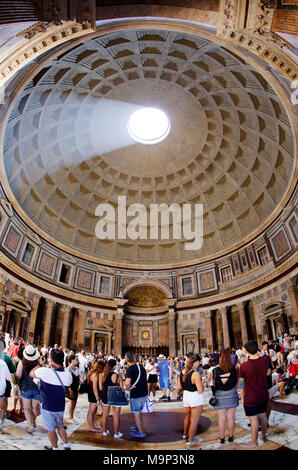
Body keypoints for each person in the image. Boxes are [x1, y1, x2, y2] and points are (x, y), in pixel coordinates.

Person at [30, 348, 73, 450]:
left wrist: (40, 364)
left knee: (51, 429)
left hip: (48, 406)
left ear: (50, 359)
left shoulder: (44, 371)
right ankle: (66, 445)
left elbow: (31, 373)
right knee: (60, 426)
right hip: (60, 406)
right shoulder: (68, 375)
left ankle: (55, 447)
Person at [240, 340, 270, 447]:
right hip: (263, 393)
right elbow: (268, 372)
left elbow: (241, 382)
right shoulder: (265, 361)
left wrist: (242, 396)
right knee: (263, 415)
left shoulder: (244, 366)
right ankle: (264, 435)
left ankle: (254, 440)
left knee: (253, 418)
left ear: (247, 351)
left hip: (251, 396)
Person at [212, 348, 239, 444]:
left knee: (221, 418)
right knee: (231, 417)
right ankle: (231, 437)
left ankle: (222, 438)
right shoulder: (234, 369)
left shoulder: (215, 370)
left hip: (220, 395)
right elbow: (236, 382)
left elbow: (215, 384)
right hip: (232, 393)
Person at [178, 354, 204, 446]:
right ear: (195, 363)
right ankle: (191, 439)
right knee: (194, 419)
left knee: (187, 416)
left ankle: (185, 434)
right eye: (198, 362)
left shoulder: (183, 372)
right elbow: (200, 390)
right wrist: (203, 383)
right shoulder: (195, 374)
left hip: (186, 396)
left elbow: (179, 387)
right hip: (195, 397)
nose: (199, 363)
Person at [16, 345, 42, 433]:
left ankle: (31, 425)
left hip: (25, 387)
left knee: (27, 408)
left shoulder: (21, 362)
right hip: (36, 388)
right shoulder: (38, 364)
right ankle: (33, 422)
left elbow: (18, 374)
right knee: (34, 407)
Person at [124, 351, 148, 438]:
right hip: (144, 393)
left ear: (126, 360)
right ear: (134, 359)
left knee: (136, 413)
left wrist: (127, 388)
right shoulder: (141, 367)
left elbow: (127, 383)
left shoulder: (129, 370)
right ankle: (138, 426)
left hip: (136, 395)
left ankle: (140, 432)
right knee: (139, 411)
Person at [101, 359, 123, 438]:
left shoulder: (103, 375)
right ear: (114, 366)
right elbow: (121, 389)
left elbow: (101, 387)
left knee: (105, 414)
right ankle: (116, 433)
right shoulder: (118, 376)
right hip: (115, 396)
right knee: (116, 415)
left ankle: (104, 431)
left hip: (106, 395)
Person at [86, 359, 105, 433]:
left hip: (92, 393)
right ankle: (91, 427)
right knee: (91, 411)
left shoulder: (92, 372)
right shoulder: (95, 375)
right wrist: (97, 399)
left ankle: (93, 425)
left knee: (94, 411)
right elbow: (95, 388)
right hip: (93, 394)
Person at [0, 341, 12, 434]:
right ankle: (0, 423)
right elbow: (9, 377)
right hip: (1, 388)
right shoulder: (5, 360)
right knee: (2, 408)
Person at [65, 353, 80, 424]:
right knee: (72, 402)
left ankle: (71, 415)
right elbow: (67, 381)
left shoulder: (77, 368)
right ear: (72, 360)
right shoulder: (68, 369)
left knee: (74, 402)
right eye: (76, 360)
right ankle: (70, 416)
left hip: (76, 387)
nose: (78, 361)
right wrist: (70, 390)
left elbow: (78, 377)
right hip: (70, 388)